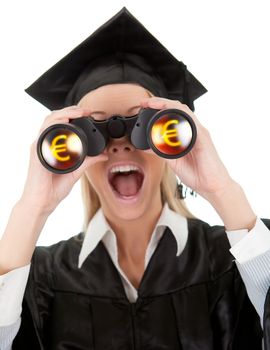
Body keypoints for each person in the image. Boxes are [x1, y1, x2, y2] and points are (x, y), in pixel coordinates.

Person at [1, 7, 270, 350]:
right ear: (78, 151)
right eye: (94, 129)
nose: (121, 143)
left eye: (140, 124)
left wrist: (223, 190)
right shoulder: (43, 276)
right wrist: (31, 208)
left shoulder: (229, 261)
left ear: (168, 137)